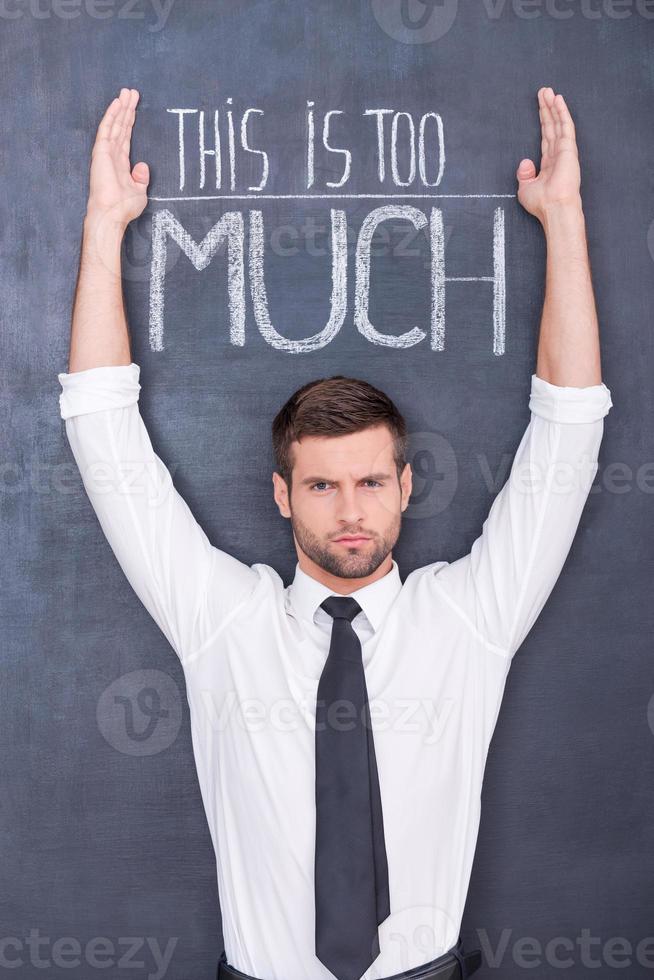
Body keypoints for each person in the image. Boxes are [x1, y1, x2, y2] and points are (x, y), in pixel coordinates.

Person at [58, 86, 612, 980]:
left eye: (367, 482)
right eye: (321, 484)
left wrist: (564, 219)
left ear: (405, 485)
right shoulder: (223, 624)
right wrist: (103, 228)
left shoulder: (468, 618)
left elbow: (570, 428)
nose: (349, 510)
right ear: (283, 495)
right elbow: (100, 433)